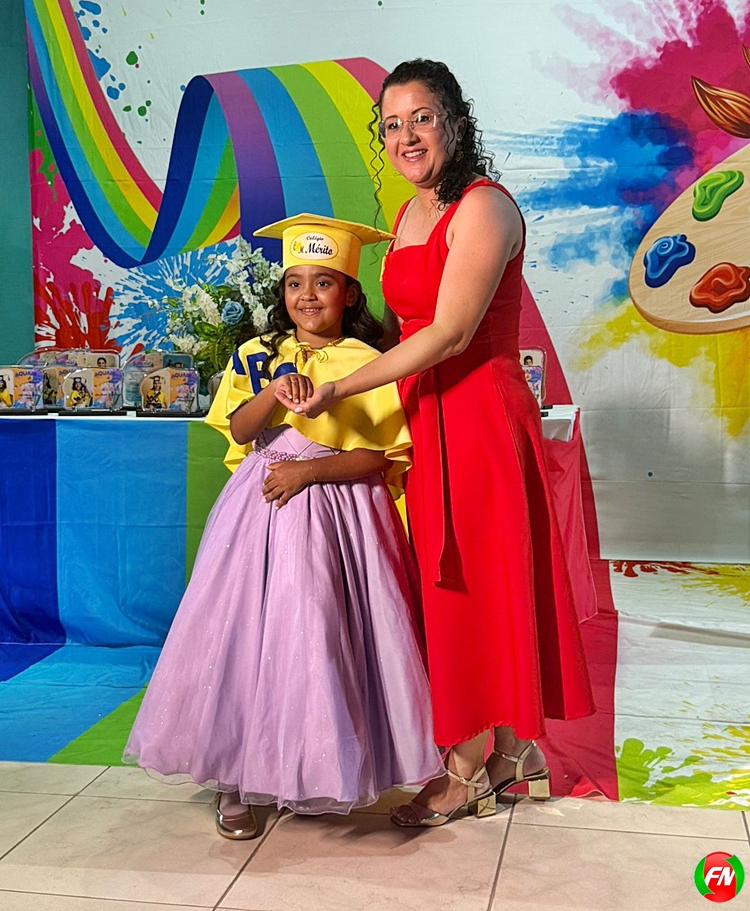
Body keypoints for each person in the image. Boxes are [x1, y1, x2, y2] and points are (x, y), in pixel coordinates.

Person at [281, 60, 595, 827]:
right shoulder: (411, 212)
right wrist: (325, 360)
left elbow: (450, 333)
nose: (407, 136)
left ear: (454, 120)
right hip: (425, 416)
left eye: (421, 118)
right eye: (392, 125)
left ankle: (466, 771)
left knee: (477, 589)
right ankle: (501, 749)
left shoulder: (484, 208)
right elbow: (402, 329)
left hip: (480, 417)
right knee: (444, 587)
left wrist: (341, 388)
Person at [124, 214, 443, 840]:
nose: (307, 296)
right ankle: (233, 778)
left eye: (324, 283)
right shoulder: (255, 353)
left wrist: (310, 472)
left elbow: (380, 457)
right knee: (244, 634)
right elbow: (242, 430)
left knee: (319, 635)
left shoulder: (369, 363)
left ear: (349, 293)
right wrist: (273, 392)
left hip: (339, 516)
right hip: (259, 514)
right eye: (295, 283)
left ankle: (310, 765)